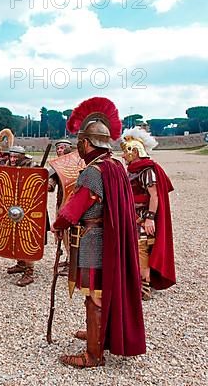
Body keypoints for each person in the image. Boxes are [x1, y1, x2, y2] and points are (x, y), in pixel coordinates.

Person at [52, 97, 145, 368]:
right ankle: (99, 335)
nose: (79, 147)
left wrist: (57, 225)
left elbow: (73, 210)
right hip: (110, 239)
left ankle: (93, 354)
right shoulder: (114, 165)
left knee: (94, 297)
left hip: (95, 240)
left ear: (86, 143)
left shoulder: (93, 172)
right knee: (99, 294)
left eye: (80, 142)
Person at [121, 127, 175, 300]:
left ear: (135, 151)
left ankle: (144, 288)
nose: (123, 155)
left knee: (141, 249)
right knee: (133, 248)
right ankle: (134, 282)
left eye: (125, 152)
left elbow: (154, 195)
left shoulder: (147, 170)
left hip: (143, 217)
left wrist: (150, 218)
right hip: (132, 215)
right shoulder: (133, 170)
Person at [2, 145, 38, 287]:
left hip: (28, 209)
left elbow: (40, 184)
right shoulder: (8, 166)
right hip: (14, 209)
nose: (12, 159)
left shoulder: (32, 166)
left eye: (15, 157)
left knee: (26, 239)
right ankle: (21, 263)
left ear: (22, 157)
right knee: (15, 237)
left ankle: (29, 272)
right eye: (10, 156)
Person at [48, 139, 74, 275]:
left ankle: (73, 262)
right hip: (61, 203)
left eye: (62, 148)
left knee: (71, 235)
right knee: (63, 234)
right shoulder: (57, 167)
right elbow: (52, 183)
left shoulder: (76, 163)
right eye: (57, 148)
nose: (59, 150)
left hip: (74, 205)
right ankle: (69, 258)